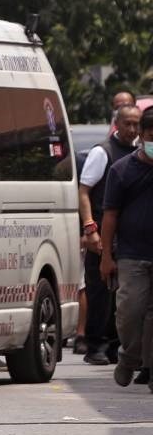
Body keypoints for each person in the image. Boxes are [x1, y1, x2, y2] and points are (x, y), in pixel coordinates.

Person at [79, 104, 141, 365]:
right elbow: (83, 191)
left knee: (123, 297)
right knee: (99, 292)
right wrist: (90, 227)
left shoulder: (140, 154)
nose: (132, 129)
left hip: (128, 238)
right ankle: (96, 346)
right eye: (127, 123)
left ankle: (117, 346)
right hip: (103, 234)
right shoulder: (102, 152)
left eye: (136, 124)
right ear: (117, 123)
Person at [100, 106, 153, 390]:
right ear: (142, 136)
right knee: (130, 313)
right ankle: (128, 357)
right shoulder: (122, 170)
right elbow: (110, 216)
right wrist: (106, 256)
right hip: (131, 256)